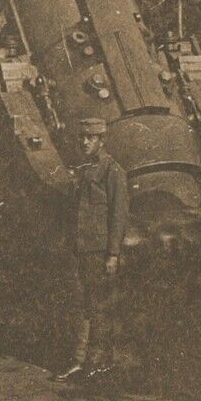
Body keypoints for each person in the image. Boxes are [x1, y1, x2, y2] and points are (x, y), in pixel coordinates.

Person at [57, 117, 129, 386]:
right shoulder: (85, 170)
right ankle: (80, 361)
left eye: (91, 138)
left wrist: (113, 254)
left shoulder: (113, 172)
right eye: (82, 138)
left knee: (99, 306)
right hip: (80, 249)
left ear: (102, 140)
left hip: (99, 251)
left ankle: (97, 363)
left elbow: (118, 216)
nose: (85, 142)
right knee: (82, 306)